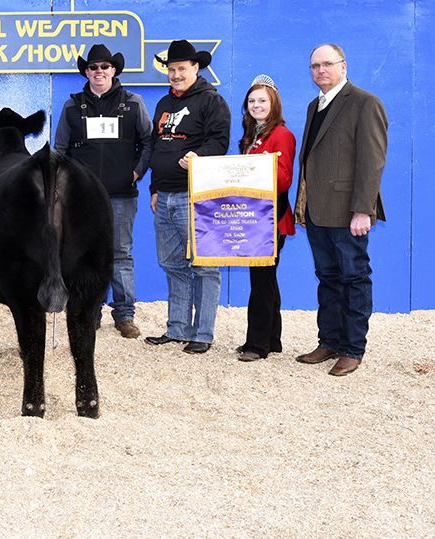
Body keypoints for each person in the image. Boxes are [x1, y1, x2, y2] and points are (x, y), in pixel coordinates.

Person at [293, 44, 387, 376]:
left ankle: (352, 349)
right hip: (318, 212)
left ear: (343, 67)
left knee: (354, 279)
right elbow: (310, 162)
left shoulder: (365, 103)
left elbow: (372, 161)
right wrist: (301, 206)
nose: (320, 70)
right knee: (328, 279)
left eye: (327, 64)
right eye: (314, 65)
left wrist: (363, 209)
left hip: (348, 212)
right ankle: (329, 341)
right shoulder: (313, 106)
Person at [54, 43, 153, 339]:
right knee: (82, 253)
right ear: (86, 72)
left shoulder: (133, 102)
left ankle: (124, 315)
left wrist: (136, 172)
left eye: (104, 67)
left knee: (120, 253)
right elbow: (59, 150)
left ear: (113, 70)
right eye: (93, 67)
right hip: (82, 198)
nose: (99, 71)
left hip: (121, 194)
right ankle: (89, 310)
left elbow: (148, 141)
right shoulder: (72, 106)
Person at [144, 40, 231, 354]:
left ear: (196, 68)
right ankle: (177, 328)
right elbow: (156, 147)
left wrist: (199, 155)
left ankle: (203, 334)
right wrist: (154, 189)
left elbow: (219, 141)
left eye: (181, 68)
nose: (175, 74)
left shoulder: (211, 101)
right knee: (173, 265)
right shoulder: (164, 103)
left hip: (195, 196)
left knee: (204, 267)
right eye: (171, 69)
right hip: (164, 196)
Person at [234, 75, 296, 361]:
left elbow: (283, 181)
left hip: (271, 218)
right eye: (252, 101)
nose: (256, 105)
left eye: (262, 101)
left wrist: (253, 169)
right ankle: (272, 339)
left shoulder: (281, 135)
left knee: (261, 279)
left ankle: (256, 345)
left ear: (274, 104)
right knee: (266, 277)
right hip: (254, 216)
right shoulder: (252, 135)